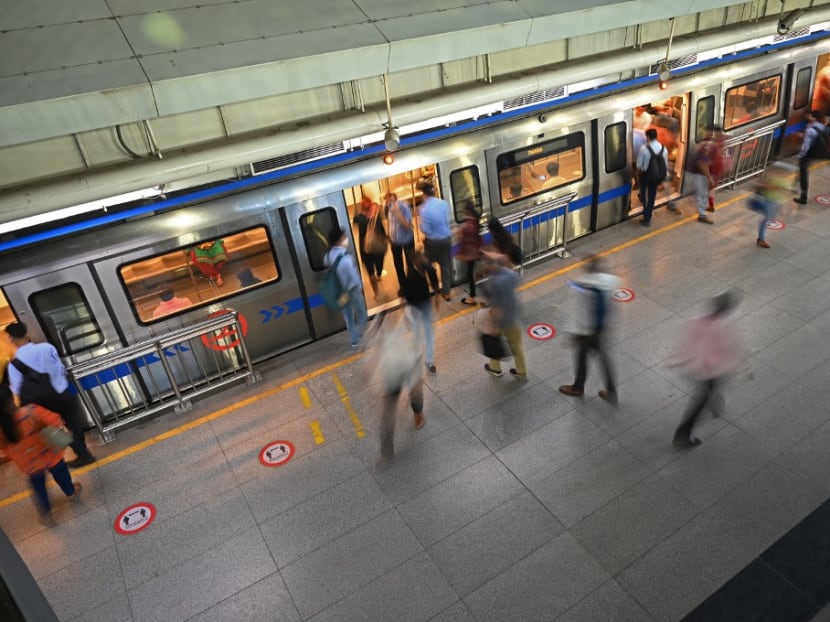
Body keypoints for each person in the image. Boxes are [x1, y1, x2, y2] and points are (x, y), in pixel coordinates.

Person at [5, 322, 96, 468]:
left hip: (43, 405)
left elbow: (16, 389)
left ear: (11, 339)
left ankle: (81, 455)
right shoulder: (47, 348)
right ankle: (83, 452)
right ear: (27, 334)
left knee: (57, 430)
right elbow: (60, 368)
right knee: (74, 424)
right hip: (63, 394)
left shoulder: (14, 364)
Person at [668, 291, 748, 448]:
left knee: (712, 388)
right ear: (727, 310)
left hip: (699, 368)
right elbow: (734, 349)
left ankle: (715, 404)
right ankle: (682, 435)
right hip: (712, 370)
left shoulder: (697, 321)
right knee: (700, 402)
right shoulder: (725, 327)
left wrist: (676, 360)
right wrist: (744, 369)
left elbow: (686, 343)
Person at [0, 385, 82, 525]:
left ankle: (47, 513)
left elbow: (3, 448)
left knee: (38, 485)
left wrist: (17, 453)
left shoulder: (2, 427)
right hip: (48, 453)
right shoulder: (30, 411)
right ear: (11, 400)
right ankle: (70, 492)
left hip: (28, 463)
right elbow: (54, 420)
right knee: (61, 472)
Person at [559, 256, 620, 405]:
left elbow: (585, 315)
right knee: (603, 359)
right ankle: (611, 392)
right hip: (602, 329)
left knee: (581, 358)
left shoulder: (589, 289)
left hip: (590, 332)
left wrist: (577, 334)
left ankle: (578, 388)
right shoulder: (607, 283)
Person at [371, 312, 425, 467]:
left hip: (409, 364)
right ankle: (386, 452)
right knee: (387, 415)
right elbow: (376, 355)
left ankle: (418, 412)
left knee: (415, 395)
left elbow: (416, 350)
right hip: (392, 373)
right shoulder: (381, 325)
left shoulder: (407, 318)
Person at [480, 249, 527, 381]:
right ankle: (521, 372)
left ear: (491, 266)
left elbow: (497, 307)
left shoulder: (495, 282)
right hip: (514, 315)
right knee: (516, 345)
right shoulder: (511, 274)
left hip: (503, 320)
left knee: (493, 342)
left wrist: (494, 326)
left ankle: (495, 368)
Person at [324, 227, 367, 348]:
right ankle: (357, 334)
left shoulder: (327, 256)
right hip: (351, 291)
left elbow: (327, 265)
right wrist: (361, 287)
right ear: (338, 241)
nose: (345, 239)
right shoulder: (346, 259)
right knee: (362, 315)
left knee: (348, 316)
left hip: (339, 293)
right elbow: (354, 278)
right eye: (344, 237)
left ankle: (354, 339)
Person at [402, 250, 440, 375]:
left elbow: (433, 278)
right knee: (418, 331)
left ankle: (428, 360)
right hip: (415, 305)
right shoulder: (411, 276)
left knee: (428, 331)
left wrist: (436, 296)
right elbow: (405, 295)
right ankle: (417, 356)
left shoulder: (426, 267)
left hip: (423, 303)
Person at [418, 183, 453, 301]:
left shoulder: (423, 209)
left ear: (424, 194)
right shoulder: (443, 203)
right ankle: (447, 293)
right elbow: (446, 220)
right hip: (445, 239)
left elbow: (426, 229)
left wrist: (421, 228)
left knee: (423, 262)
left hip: (432, 242)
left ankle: (428, 287)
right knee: (445, 267)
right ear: (434, 192)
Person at [353, 195, 387, 298]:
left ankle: (376, 293)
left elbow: (354, 222)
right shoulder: (375, 216)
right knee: (379, 263)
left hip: (365, 249)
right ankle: (379, 275)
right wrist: (385, 238)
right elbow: (381, 228)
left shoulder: (359, 218)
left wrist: (361, 210)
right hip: (377, 247)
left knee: (370, 271)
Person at [685, 126, 718, 224]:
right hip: (700, 173)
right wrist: (709, 178)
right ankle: (702, 215)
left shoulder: (705, 144)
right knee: (701, 193)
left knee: (702, 193)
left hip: (699, 173)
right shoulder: (709, 147)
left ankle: (703, 211)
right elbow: (702, 164)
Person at [635, 128, 669, 226]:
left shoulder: (644, 148)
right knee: (652, 196)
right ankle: (648, 215)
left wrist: (638, 178)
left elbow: (639, 166)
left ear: (648, 137)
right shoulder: (663, 148)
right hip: (657, 176)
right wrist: (662, 180)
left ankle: (646, 217)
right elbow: (665, 165)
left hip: (646, 176)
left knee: (644, 196)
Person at [384, 193, 415, 295]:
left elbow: (408, 226)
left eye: (389, 200)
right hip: (395, 241)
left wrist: (398, 214)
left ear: (395, 197)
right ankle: (404, 287)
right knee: (398, 265)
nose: (387, 202)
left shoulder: (405, 206)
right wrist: (389, 236)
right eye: (386, 201)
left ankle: (412, 285)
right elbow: (390, 223)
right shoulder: (388, 208)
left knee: (410, 262)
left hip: (407, 239)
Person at [794, 110, 827, 204]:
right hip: (822, 152)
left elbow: (806, 146)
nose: (808, 117)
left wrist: (801, 155)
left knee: (803, 173)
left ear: (814, 118)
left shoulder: (810, 129)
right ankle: (796, 186)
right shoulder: (822, 126)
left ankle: (803, 197)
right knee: (802, 171)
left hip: (810, 153)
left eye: (810, 116)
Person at [456, 202, 483, 305]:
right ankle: (473, 295)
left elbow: (465, 242)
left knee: (470, 275)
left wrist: (461, 253)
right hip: (475, 252)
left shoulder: (468, 226)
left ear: (467, 211)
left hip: (471, 255)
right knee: (471, 274)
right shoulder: (474, 221)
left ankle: (472, 298)